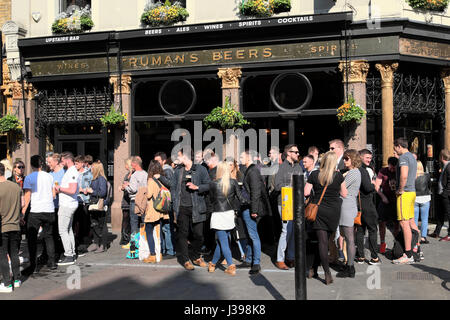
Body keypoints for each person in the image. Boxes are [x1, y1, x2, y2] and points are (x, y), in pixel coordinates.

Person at [304, 151, 347, 285]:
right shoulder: (338, 175)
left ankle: (326, 272)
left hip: (319, 210)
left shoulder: (315, 174)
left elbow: (306, 192)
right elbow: (344, 194)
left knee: (321, 242)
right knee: (325, 241)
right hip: (333, 211)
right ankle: (314, 269)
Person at [171, 148, 211, 271]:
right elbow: (173, 188)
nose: (177, 158)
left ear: (186, 156)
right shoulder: (178, 171)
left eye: (179, 156)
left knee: (199, 235)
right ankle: (186, 259)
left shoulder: (200, 169)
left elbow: (209, 185)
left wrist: (197, 187)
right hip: (182, 208)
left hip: (197, 207)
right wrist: (174, 205)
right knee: (183, 234)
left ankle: (195, 255)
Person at [208, 161, 247, 275]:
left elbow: (211, 200)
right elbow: (240, 198)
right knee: (222, 242)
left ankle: (230, 265)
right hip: (229, 214)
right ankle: (213, 263)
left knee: (223, 241)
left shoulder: (213, 184)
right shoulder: (233, 182)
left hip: (218, 214)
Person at [236, 149, 272, 275]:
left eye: (242, 156)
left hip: (250, 208)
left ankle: (256, 262)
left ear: (249, 157)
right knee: (250, 235)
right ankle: (249, 259)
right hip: (247, 207)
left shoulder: (253, 171)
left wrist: (254, 210)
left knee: (253, 235)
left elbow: (256, 192)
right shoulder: (250, 170)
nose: (240, 159)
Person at [21, 155, 57, 275]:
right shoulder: (49, 176)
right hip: (49, 209)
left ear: (31, 165)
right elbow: (53, 194)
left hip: (36, 210)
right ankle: (52, 262)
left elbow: (27, 196)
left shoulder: (29, 178)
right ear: (41, 164)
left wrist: (22, 212)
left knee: (31, 239)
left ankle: (33, 265)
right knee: (49, 236)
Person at [392, 138, 421, 264]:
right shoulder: (412, 157)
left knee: (404, 223)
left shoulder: (403, 157)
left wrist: (400, 189)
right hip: (412, 191)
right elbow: (414, 176)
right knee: (411, 221)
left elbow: (404, 175)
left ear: (399, 146)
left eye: (395, 148)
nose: (394, 150)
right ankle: (416, 249)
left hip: (405, 193)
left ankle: (408, 254)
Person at [274, 144, 303, 270]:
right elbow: (276, 186)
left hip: (296, 203)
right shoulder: (281, 168)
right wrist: (290, 186)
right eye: (295, 152)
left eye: (297, 152)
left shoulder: (298, 167)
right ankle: (280, 259)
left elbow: (303, 183)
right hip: (284, 203)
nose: (297, 154)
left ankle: (290, 257)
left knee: (293, 231)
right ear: (288, 153)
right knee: (286, 230)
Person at [336, 150, 361, 278]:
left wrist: (338, 177)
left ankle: (350, 267)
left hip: (347, 205)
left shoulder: (353, 172)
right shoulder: (352, 172)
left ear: (353, 159)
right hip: (347, 205)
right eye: (344, 158)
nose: (344, 161)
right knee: (347, 237)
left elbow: (342, 189)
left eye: (347, 159)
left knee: (349, 238)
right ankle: (349, 265)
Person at [355, 149, 381, 265]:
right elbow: (367, 188)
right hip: (367, 204)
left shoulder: (356, 169)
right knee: (372, 230)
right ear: (360, 157)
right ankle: (374, 257)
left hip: (359, 204)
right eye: (367, 157)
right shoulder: (363, 170)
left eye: (370, 158)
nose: (369, 160)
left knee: (360, 231)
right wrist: (374, 184)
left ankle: (360, 256)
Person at [54, 152, 80, 266]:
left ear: (67, 160)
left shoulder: (72, 171)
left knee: (63, 230)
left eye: (62, 160)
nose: (61, 163)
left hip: (67, 205)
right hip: (69, 204)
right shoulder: (71, 171)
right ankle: (72, 253)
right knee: (68, 230)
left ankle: (69, 255)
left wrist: (60, 188)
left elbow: (73, 190)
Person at [0, 163, 22, 292]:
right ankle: (17, 279)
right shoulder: (15, 187)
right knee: (14, 253)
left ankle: (7, 283)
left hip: (3, 226)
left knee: (2, 254)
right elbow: (21, 204)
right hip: (15, 224)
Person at [142, 160, 166, 263]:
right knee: (158, 232)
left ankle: (152, 255)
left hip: (152, 210)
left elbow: (148, 195)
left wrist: (143, 191)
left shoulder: (151, 181)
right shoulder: (160, 181)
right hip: (160, 210)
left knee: (149, 231)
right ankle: (159, 254)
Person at [375, 156, 399, 253]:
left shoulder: (399, 171)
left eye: (394, 167)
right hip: (385, 199)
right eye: (391, 167)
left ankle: (396, 244)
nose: (392, 169)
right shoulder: (383, 171)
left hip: (396, 200)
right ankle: (382, 243)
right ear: (388, 165)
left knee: (397, 224)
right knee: (382, 222)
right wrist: (382, 196)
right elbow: (376, 186)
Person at [154, 152, 175, 257]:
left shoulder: (167, 170)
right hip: (162, 202)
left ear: (164, 161)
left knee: (167, 227)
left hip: (167, 202)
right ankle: (165, 249)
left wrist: (160, 177)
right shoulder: (161, 171)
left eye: (158, 161)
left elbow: (171, 184)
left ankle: (170, 250)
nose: (156, 163)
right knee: (163, 227)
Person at [85, 161, 109, 253]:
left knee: (101, 225)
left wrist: (92, 191)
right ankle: (95, 242)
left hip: (100, 204)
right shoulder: (93, 179)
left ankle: (103, 244)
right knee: (94, 223)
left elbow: (103, 192)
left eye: (92, 167)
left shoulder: (101, 179)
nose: (90, 168)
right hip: (93, 203)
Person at [124, 156, 148, 237]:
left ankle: (134, 243)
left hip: (134, 200)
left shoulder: (134, 175)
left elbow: (133, 189)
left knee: (134, 222)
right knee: (144, 220)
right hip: (144, 201)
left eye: (132, 164)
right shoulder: (146, 174)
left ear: (134, 164)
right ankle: (145, 240)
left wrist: (126, 186)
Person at [431, 149, 450, 241]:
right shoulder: (444, 166)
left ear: (442, 157)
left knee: (448, 213)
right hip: (441, 194)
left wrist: (445, 193)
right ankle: (437, 232)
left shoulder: (449, 166)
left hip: (445, 195)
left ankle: (449, 234)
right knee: (440, 213)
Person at [414, 160, 431, 251]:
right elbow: (429, 185)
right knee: (425, 219)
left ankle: (416, 237)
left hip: (415, 198)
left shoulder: (412, 175)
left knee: (415, 219)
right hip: (425, 198)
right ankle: (423, 237)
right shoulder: (427, 175)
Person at [119, 158, 133, 248]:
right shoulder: (127, 175)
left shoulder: (134, 174)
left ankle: (129, 238)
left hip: (131, 199)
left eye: (126, 164)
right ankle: (124, 237)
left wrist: (125, 186)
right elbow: (124, 184)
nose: (125, 166)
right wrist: (122, 187)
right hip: (125, 198)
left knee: (130, 219)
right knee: (125, 218)